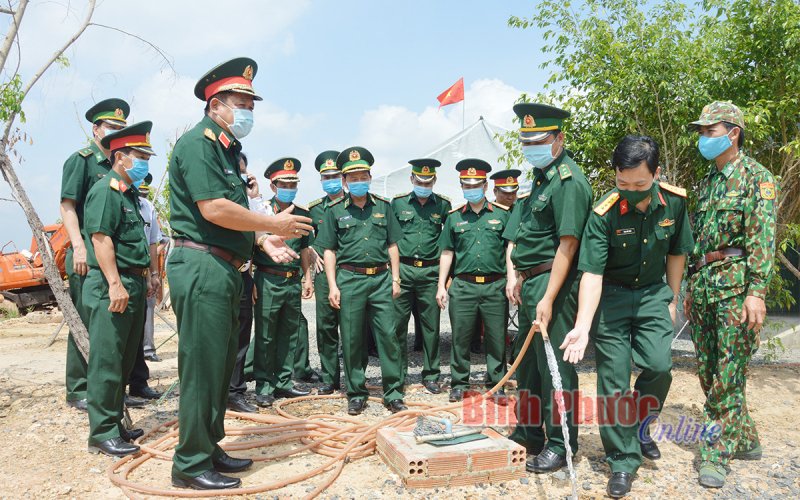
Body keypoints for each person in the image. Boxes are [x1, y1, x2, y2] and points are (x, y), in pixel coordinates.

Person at [167, 57, 312, 490]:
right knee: (202, 367)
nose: (249, 109)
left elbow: (237, 215)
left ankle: (209, 447)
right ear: (216, 105)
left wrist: (264, 240)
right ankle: (190, 464)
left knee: (220, 366)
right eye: (241, 101)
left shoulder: (226, 151)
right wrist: (275, 225)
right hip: (202, 266)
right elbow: (213, 209)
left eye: (251, 101)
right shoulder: (198, 144)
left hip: (226, 267)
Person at [560, 135, 693, 497]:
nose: (630, 190)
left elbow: (678, 252)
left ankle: (641, 424)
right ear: (615, 175)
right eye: (622, 182)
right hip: (612, 298)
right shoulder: (604, 213)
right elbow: (592, 272)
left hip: (652, 294)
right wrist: (583, 327)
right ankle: (621, 459)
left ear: (656, 174)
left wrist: (672, 297)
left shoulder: (675, 203)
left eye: (639, 184)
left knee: (659, 366)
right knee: (613, 381)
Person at [683, 101, 779, 489]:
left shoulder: (758, 177)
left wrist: (757, 291)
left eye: (710, 131)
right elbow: (698, 243)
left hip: (737, 291)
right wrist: (690, 286)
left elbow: (763, 239)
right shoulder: (706, 182)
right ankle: (746, 438)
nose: (703, 138)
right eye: (702, 132)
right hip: (706, 287)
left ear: (733, 133)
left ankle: (715, 454)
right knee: (708, 373)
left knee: (727, 376)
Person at [503, 103, 592, 473]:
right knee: (528, 368)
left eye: (538, 141)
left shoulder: (568, 181)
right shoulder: (541, 178)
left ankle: (560, 442)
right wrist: (516, 276)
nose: (530, 147)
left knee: (555, 367)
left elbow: (567, 246)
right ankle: (529, 431)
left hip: (552, 283)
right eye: (526, 141)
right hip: (531, 282)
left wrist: (549, 297)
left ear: (559, 139)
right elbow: (522, 236)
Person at [82, 121, 156, 457]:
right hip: (114, 283)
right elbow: (100, 239)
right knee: (107, 361)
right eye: (140, 156)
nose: (144, 163)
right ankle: (101, 433)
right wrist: (114, 284)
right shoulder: (105, 191)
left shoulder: (130, 195)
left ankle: (115, 424)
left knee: (125, 360)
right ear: (120, 157)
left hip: (134, 282)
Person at [316, 147, 407, 415]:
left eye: (362, 176)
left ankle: (394, 393)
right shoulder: (334, 211)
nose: (358, 182)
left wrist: (396, 278)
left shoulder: (383, 206)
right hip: (349, 279)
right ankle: (356, 392)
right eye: (352, 178)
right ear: (344, 182)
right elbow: (329, 251)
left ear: (370, 177)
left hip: (380, 279)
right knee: (352, 339)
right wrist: (333, 285)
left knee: (388, 337)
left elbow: (393, 245)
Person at [59, 98, 128, 411]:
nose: (115, 132)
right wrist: (79, 246)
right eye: (111, 127)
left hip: (109, 255)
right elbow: (68, 206)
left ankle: (104, 386)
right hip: (86, 253)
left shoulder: (118, 166)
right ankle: (78, 388)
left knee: (105, 326)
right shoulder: (82, 160)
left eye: (120, 128)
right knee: (83, 320)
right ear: (96, 128)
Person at [436, 159, 510, 402]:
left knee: (496, 338)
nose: (472, 189)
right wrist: (441, 286)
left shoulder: (502, 214)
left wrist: (512, 280)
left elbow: (511, 248)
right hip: (464, 286)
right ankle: (459, 383)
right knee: (461, 337)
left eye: (476, 184)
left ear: (486, 186)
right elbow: (447, 253)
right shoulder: (454, 218)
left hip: (495, 285)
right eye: (467, 186)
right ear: (462, 187)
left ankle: (496, 384)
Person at [251, 158, 313, 407]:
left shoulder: (303, 215)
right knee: (265, 335)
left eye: (293, 183)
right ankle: (264, 386)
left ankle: (284, 383)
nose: (289, 187)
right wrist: (250, 279)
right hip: (267, 278)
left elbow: (306, 250)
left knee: (289, 334)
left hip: (291, 281)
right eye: (284, 183)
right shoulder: (261, 213)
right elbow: (250, 247)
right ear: (273, 185)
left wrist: (307, 278)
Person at [391, 159, 451, 394]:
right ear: (411, 180)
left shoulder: (444, 205)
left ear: (434, 181)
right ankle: (397, 374)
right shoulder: (397, 204)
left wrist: (445, 281)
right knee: (397, 326)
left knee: (431, 327)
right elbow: (390, 240)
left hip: (430, 272)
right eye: (419, 181)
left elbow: (450, 242)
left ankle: (431, 374)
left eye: (428, 181)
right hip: (403, 270)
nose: (423, 185)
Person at [307, 150, 344, 395]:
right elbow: (305, 240)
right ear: (321, 180)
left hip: (351, 272)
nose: (331, 180)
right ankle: (330, 378)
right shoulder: (314, 209)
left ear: (343, 177)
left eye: (335, 175)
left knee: (352, 328)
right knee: (326, 327)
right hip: (323, 275)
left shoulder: (355, 204)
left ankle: (354, 377)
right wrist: (311, 250)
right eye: (326, 176)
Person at [125, 175, 163, 405]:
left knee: (139, 333)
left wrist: (154, 275)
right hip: (122, 274)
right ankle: (118, 390)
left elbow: (152, 243)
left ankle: (139, 384)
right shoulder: (118, 199)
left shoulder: (148, 207)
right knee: (124, 337)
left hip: (142, 275)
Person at [227, 152, 259, 414]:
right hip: (221, 273)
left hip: (244, 275)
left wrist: (254, 197)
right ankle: (215, 391)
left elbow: (258, 233)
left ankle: (235, 392)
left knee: (241, 337)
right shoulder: (221, 202)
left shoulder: (248, 202)